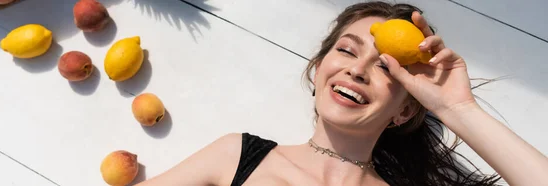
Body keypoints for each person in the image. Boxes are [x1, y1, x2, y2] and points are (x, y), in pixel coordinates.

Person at [136, 2, 548, 185]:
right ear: (319, 70)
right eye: (347, 50)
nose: (357, 68)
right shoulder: (237, 156)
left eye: (386, 66)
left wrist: (459, 109)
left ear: (404, 111)